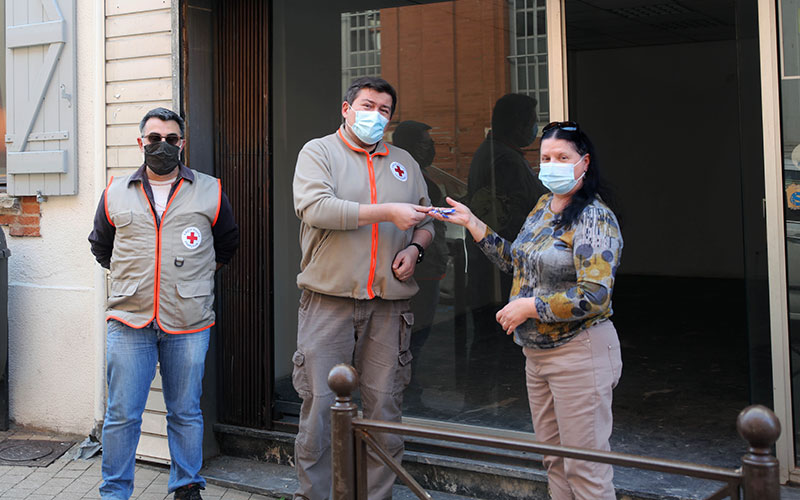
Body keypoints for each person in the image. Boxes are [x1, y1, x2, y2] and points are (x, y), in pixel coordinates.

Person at [428, 120, 623, 499]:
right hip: (537, 356)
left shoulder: (594, 217)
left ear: (584, 162)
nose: (552, 164)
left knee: (585, 469)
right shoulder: (542, 207)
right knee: (554, 461)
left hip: (579, 353)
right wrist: (473, 223)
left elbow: (595, 294)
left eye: (563, 157)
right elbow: (518, 262)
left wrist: (531, 306)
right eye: (546, 157)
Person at [291, 77, 434, 500]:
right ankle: (317, 496)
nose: (375, 115)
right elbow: (315, 207)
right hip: (327, 302)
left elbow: (425, 221)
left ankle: (376, 497)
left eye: (384, 110)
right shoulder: (319, 152)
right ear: (346, 109)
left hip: (389, 307)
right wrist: (386, 211)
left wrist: (416, 250)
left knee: (384, 411)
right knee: (319, 408)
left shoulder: (405, 162)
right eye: (367, 106)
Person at [89, 108, 240, 500]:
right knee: (122, 416)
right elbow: (101, 246)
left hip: (188, 320)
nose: (162, 145)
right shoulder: (115, 191)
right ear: (141, 142)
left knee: (185, 412)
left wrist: (193, 279)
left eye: (171, 139)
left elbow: (226, 244)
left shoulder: (210, 190)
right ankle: (115, 492)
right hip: (129, 320)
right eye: (154, 138)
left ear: (182, 144)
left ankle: (186, 487)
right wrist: (136, 279)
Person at [465, 93, 545, 405]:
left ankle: (481, 400)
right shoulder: (505, 160)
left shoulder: (495, 152)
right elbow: (527, 210)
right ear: (516, 124)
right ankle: (490, 404)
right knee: (496, 338)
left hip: (494, 264)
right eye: (529, 122)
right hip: (504, 267)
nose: (533, 128)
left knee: (487, 337)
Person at [391, 120, 449, 407]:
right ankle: (408, 393)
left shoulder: (421, 174)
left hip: (430, 263)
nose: (433, 149)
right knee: (415, 332)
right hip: (418, 268)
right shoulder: (405, 176)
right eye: (426, 143)